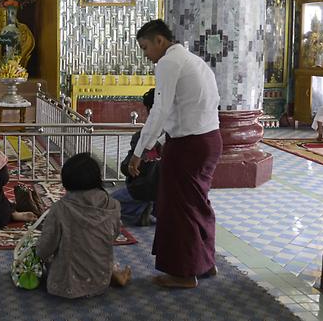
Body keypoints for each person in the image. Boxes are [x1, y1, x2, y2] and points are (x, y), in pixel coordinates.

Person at [127, 19, 222, 289]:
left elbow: (161, 109)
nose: (146, 55)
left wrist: (139, 152)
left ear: (160, 40)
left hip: (188, 145)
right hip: (210, 139)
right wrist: (153, 142)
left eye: (146, 48)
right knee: (198, 203)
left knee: (179, 207)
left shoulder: (169, 62)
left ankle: (184, 273)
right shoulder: (194, 61)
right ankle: (205, 263)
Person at [35, 153, 132, 298]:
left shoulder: (60, 209)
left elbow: (44, 249)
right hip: (100, 281)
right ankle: (114, 274)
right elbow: (113, 235)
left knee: (47, 256)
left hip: (65, 285)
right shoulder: (112, 205)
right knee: (95, 250)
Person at [113, 88, 161, 226]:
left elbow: (127, 167)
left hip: (143, 189)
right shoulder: (179, 136)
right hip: (168, 192)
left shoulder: (141, 137)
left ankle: (141, 212)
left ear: (149, 109)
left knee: (108, 205)